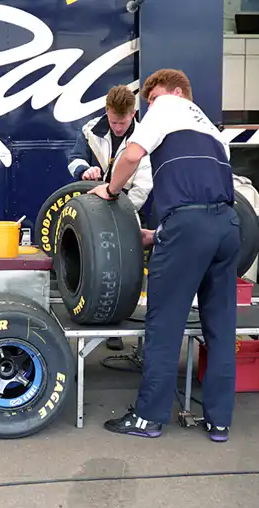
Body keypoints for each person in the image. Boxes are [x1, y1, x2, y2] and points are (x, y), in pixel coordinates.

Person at [90, 69, 240, 443]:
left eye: (151, 98)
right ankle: (220, 422)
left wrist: (110, 190)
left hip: (188, 227)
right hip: (227, 227)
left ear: (175, 91)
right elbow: (207, 192)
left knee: (164, 324)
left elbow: (132, 155)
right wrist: (158, 235)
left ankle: (148, 417)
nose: (149, 106)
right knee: (220, 329)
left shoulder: (168, 105)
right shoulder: (212, 130)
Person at [67, 85, 153, 352]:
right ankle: (96, 320)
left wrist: (120, 209)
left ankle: (117, 327)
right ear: (107, 112)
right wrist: (84, 170)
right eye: (114, 121)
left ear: (134, 113)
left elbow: (143, 185)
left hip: (126, 211)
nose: (117, 127)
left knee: (126, 271)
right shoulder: (90, 130)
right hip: (91, 211)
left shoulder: (146, 136)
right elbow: (73, 159)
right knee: (95, 268)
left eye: (123, 122)